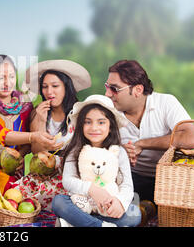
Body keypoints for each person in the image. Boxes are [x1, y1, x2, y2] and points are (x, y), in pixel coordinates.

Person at [105, 60, 194, 202]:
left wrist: (142, 144)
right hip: (131, 179)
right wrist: (120, 152)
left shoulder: (165, 103)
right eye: (107, 86)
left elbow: (191, 139)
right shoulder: (108, 112)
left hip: (170, 179)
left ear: (138, 90)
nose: (107, 94)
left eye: (114, 89)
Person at [0, 54, 54, 194]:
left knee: (18, 198)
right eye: (2, 78)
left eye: (12, 77)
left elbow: (27, 139)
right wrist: (33, 136)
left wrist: (20, 154)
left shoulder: (24, 104)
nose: (7, 83)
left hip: (13, 171)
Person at [52, 95, 141, 227]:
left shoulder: (118, 152)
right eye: (88, 122)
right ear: (81, 125)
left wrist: (120, 202)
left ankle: (72, 224)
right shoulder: (75, 150)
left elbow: (127, 185)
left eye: (101, 122)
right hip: (81, 205)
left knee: (134, 214)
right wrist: (92, 189)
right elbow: (68, 181)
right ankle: (100, 225)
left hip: (107, 208)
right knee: (59, 202)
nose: (94, 128)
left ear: (110, 125)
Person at [14, 59, 91, 210]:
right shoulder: (38, 112)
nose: (49, 92)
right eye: (45, 87)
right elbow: (37, 153)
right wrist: (41, 121)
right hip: (43, 174)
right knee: (17, 193)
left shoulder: (80, 113)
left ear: (66, 87)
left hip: (70, 174)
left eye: (55, 86)